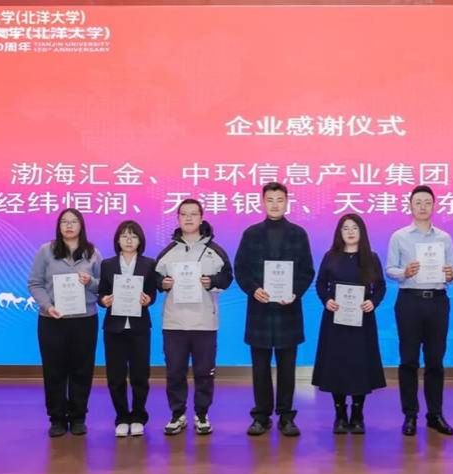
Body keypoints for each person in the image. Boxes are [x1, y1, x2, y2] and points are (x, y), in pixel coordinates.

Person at [234, 182, 315, 437]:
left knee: (287, 367)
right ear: (263, 202)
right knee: (259, 367)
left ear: (287, 202)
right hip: (259, 309)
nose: (275, 204)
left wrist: (295, 292)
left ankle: (286, 417)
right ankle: (261, 416)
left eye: (280, 200)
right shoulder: (251, 234)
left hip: (288, 310)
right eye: (270, 200)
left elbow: (307, 271)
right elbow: (240, 269)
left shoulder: (299, 234)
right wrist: (253, 289)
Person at [155, 199, 233, 436]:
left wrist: (213, 281)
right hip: (174, 322)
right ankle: (177, 414)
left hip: (204, 322)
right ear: (177, 218)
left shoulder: (215, 250)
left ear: (201, 218)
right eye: (184, 214)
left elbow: (227, 278)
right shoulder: (168, 252)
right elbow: (154, 279)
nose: (188, 218)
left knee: (204, 372)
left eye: (193, 214)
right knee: (175, 372)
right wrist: (162, 283)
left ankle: (202, 414)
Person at [386, 185, 453, 436]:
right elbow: (390, 269)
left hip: (437, 301)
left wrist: (451, 274)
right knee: (408, 360)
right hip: (410, 301)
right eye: (418, 202)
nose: (423, 206)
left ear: (434, 206)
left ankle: (435, 414)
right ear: (410, 206)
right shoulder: (399, 236)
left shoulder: (445, 238)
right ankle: (410, 415)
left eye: (427, 202)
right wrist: (404, 272)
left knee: (435, 361)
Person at [27, 208, 102, 438]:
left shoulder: (93, 253)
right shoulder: (46, 251)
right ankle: (57, 418)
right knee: (54, 371)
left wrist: (90, 281)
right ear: (58, 226)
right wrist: (47, 306)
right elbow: (35, 283)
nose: (69, 226)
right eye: (64, 222)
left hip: (85, 320)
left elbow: (104, 286)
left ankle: (78, 417)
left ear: (81, 225)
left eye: (73, 221)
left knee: (82, 370)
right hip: (52, 320)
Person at [312, 214, 386, 434]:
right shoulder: (331, 256)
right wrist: (327, 300)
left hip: (362, 320)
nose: (350, 232)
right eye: (345, 228)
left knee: (359, 365)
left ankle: (357, 413)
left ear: (362, 232)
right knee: (336, 365)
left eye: (355, 228)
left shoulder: (371, 258)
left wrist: (373, 302)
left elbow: (380, 286)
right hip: (335, 320)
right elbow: (320, 284)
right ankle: (340, 414)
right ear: (339, 233)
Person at [97, 220, 157, 438]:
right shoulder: (108, 264)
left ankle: (139, 416)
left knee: (140, 375)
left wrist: (148, 299)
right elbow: (101, 293)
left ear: (140, 240)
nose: (129, 240)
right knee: (116, 376)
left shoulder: (149, 264)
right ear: (117, 240)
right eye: (124, 236)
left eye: (133, 236)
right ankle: (122, 417)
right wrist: (104, 300)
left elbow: (152, 293)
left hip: (139, 327)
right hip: (114, 328)